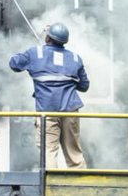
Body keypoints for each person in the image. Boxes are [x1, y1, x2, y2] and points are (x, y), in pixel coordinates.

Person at [9, 22, 89, 169]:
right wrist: (69, 83)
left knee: (49, 152)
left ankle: (50, 188)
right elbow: (84, 86)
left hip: (47, 112)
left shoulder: (35, 53)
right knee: (74, 154)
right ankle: (79, 187)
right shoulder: (76, 58)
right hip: (70, 111)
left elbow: (14, 63)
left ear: (47, 38)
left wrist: (32, 55)